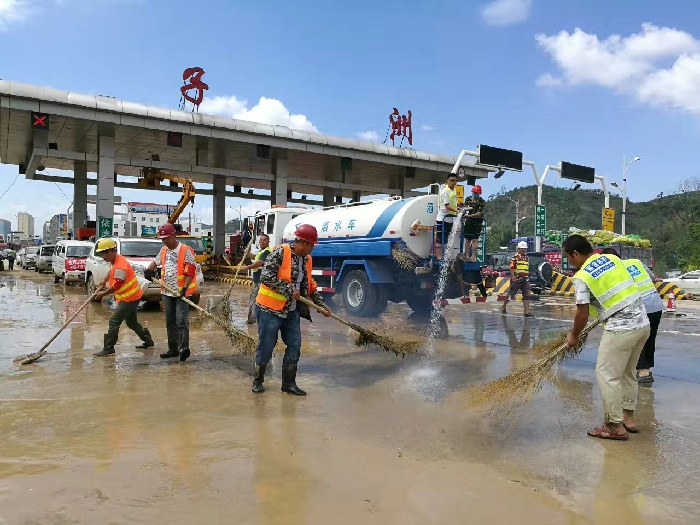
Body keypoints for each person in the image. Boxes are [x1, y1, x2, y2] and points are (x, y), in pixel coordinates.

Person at [564, 235, 650, 440]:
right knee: (628, 373)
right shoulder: (611, 259)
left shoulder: (582, 277)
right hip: (642, 323)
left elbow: (581, 314)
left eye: (569, 257)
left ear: (575, 254)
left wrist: (573, 336)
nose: (570, 262)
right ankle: (628, 419)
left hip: (621, 329)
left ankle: (614, 426)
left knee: (606, 375)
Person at [252, 224, 331, 396]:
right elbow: (266, 276)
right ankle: (258, 380)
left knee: (294, 346)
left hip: (291, 311)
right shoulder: (281, 252)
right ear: (301, 242)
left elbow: (310, 285)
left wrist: (321, 304)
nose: (312, 248)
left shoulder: (308, 260)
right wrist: (289, 289)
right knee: (266, 346)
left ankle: (289, 383)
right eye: (311, 245)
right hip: (269, 309)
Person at [601, 248, 663, 385]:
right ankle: (645, 371)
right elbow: (652, 278)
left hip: (639, 308)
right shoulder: (635, 262)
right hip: (656, 305)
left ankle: (641, 372)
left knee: (636, 340)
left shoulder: (614, 271)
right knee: (649, 339)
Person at [145, 223, 198, 362]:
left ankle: (184, 348)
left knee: (181, 321)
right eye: (162, 239)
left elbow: (190, 272)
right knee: (170, 322)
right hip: (167, 291)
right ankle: (173, 349)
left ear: (174, 235)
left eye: (167, 238)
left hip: (181, 292)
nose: (165, 241)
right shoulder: (164, 250)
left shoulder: (186, 250)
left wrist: (184, 288)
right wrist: (148, 270)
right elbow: (155, 262)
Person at [92, 239, 154, 357]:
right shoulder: (116, 260)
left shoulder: (120, 266)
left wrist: (102, 294)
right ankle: (148, 341)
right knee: (132, 323)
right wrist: (105, 280)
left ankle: (109, 349)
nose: (103, 256)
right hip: (131, 297)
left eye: (105, 253)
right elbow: (111, 271)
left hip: (129, 299)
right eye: (101, 254)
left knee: (114, 321)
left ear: (113, 251)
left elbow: (116, 286)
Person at [241, 234, 272, 324]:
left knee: (253, 299)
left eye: (264, 240)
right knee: (260, 300)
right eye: (261, 240)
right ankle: (260, 318)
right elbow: (255, 258)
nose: (262, 241)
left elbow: (260, 262)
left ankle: (252, 319)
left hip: (261, 280)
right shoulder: (261, 252)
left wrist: (248, 267)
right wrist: (248, 254)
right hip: (258, 280)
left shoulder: (267, 251)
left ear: (268, 241)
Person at [501, 241, 534, 317]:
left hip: (525, 279)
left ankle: (526, 312)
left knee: (527, 295)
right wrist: (513, 276)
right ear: (518, 249)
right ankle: (504, 306)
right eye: (522, 249)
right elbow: (512, 267)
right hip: (516, 279)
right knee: (511, 295)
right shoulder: (515, 257)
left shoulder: (527, 258)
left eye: (524, 249)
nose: (523, 250)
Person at [435, 173, 459, 259]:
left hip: (450, 218)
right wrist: (457, 210)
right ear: (447, 181)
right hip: (442, 218)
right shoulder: (445, 191)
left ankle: (445, 255)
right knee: (440, 237)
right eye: (451, 180)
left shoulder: (454, 190)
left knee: (447, 237)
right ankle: (438, 256)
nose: (453, 182)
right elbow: (447, 205)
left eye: (455, 181)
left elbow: (453, 202)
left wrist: (459, 205)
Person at [461, 185, 485, 262]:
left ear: (479, 193)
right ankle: (467, 256)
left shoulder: (481, 202)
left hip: (477, 223)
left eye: (476, 193)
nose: (475, 194)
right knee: (467, 239)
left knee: (474, 239)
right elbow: (464, 207)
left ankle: (473, 257)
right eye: (474, 192)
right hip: (468, 222)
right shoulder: (468, 199)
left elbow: (480, 213)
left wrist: (470, 215)